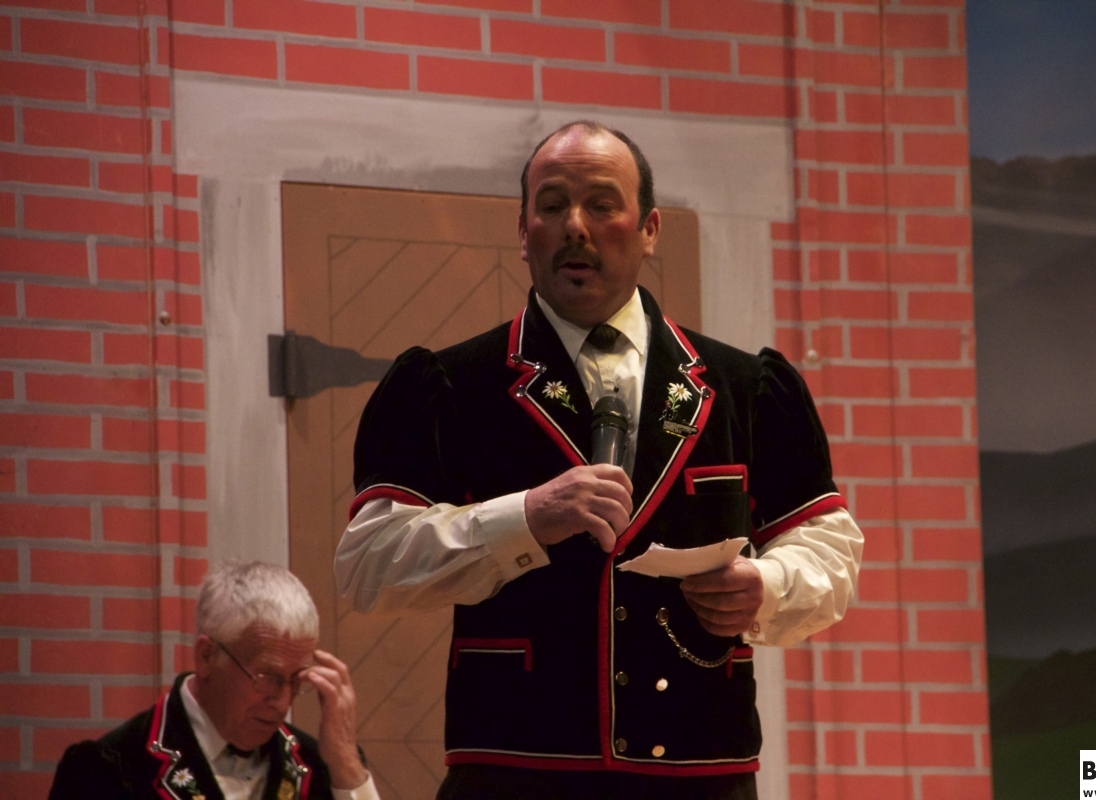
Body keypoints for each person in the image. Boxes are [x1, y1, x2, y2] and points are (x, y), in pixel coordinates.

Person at [335, 120, 863, 799]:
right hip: (514, 776)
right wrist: (527, 516)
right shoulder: (448, 385)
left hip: (701, 776)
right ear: (523, 232)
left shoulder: (746, 387)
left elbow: (829, 552)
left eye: (602, 204)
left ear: (649, 228)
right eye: (552, 206)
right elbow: (368, 563)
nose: (575, 227)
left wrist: (768, 584)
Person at [48, 560, 379, 800]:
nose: (282, 702)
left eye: (296, 681)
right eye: (267, 678)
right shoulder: (108, 770)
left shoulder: (317, 766)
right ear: (207, 657)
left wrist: (347, 764)